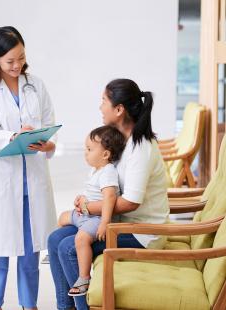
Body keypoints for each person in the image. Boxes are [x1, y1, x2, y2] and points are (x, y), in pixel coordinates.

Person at [48, 78, 170, 310]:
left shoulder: (139, 147)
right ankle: (64, 307)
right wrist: (88, 202)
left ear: (119, 109)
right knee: (55, 239)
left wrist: (87, 207)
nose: (100, 107)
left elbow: (131, 202)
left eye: (104, 101)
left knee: (69, 248)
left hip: (143, 233)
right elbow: (106, 183)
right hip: (119, 223)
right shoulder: (119, 140)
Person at [0, 26, 57, 310]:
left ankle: (28, 305)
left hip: (32, 179)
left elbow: (48, 123)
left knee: (31, 252)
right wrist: (12, 136)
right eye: (10, 61)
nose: (17, 65)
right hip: (2, 181)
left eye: (21, 58)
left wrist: (48, 143)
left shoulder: (36, 85)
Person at [58, 125, 125, 297]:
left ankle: (84, 278)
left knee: (81, 239)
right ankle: (56, 256)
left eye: (89, 149)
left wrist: (105, 223)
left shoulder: (108, 172)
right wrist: (81, 198)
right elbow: (92, 193)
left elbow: (109, 198)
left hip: (97, 218)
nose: (85, 153)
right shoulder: (96, 170)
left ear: (105, 154)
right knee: (62, 217)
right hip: (85, 214)